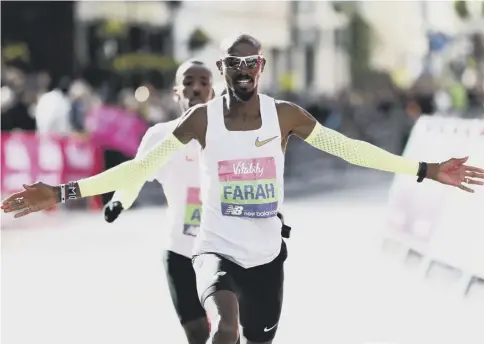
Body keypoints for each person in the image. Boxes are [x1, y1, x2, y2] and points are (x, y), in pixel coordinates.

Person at [2, 34, 484, 344]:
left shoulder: (286, 115)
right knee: (223, 332)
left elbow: (352, 150)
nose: (244, 70)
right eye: (234, 62)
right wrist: (64, 192)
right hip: (213, 249)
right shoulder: (200, 121)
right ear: (223, 67)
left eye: (251, 62)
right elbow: (137, 169)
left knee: (254, 337)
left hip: (267, 254)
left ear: (261, 66)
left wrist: (425, 168)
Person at [104, 59, 290, 344]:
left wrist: (272, 217)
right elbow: (134, 175)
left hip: (225, 251)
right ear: (176, 92)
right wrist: (118, 202)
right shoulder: (159, 137)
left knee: (227, 330)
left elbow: (256, 182)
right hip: (180, 250)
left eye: (204, 83)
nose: (196, 89)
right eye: (188, 83)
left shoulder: (229, 136)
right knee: (196, 334)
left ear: (213, 94)